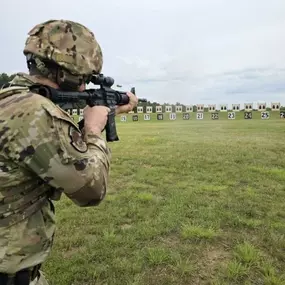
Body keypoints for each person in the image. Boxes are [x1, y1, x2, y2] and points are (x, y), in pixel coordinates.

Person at [0, 19, 138, 285]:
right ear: (65, 73)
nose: (85, 88)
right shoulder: (36, 113)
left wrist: (110, 111)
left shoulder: (11, 99)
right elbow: (90, 190)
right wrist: (96, 130)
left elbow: (53, 147)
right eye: (84, 79)